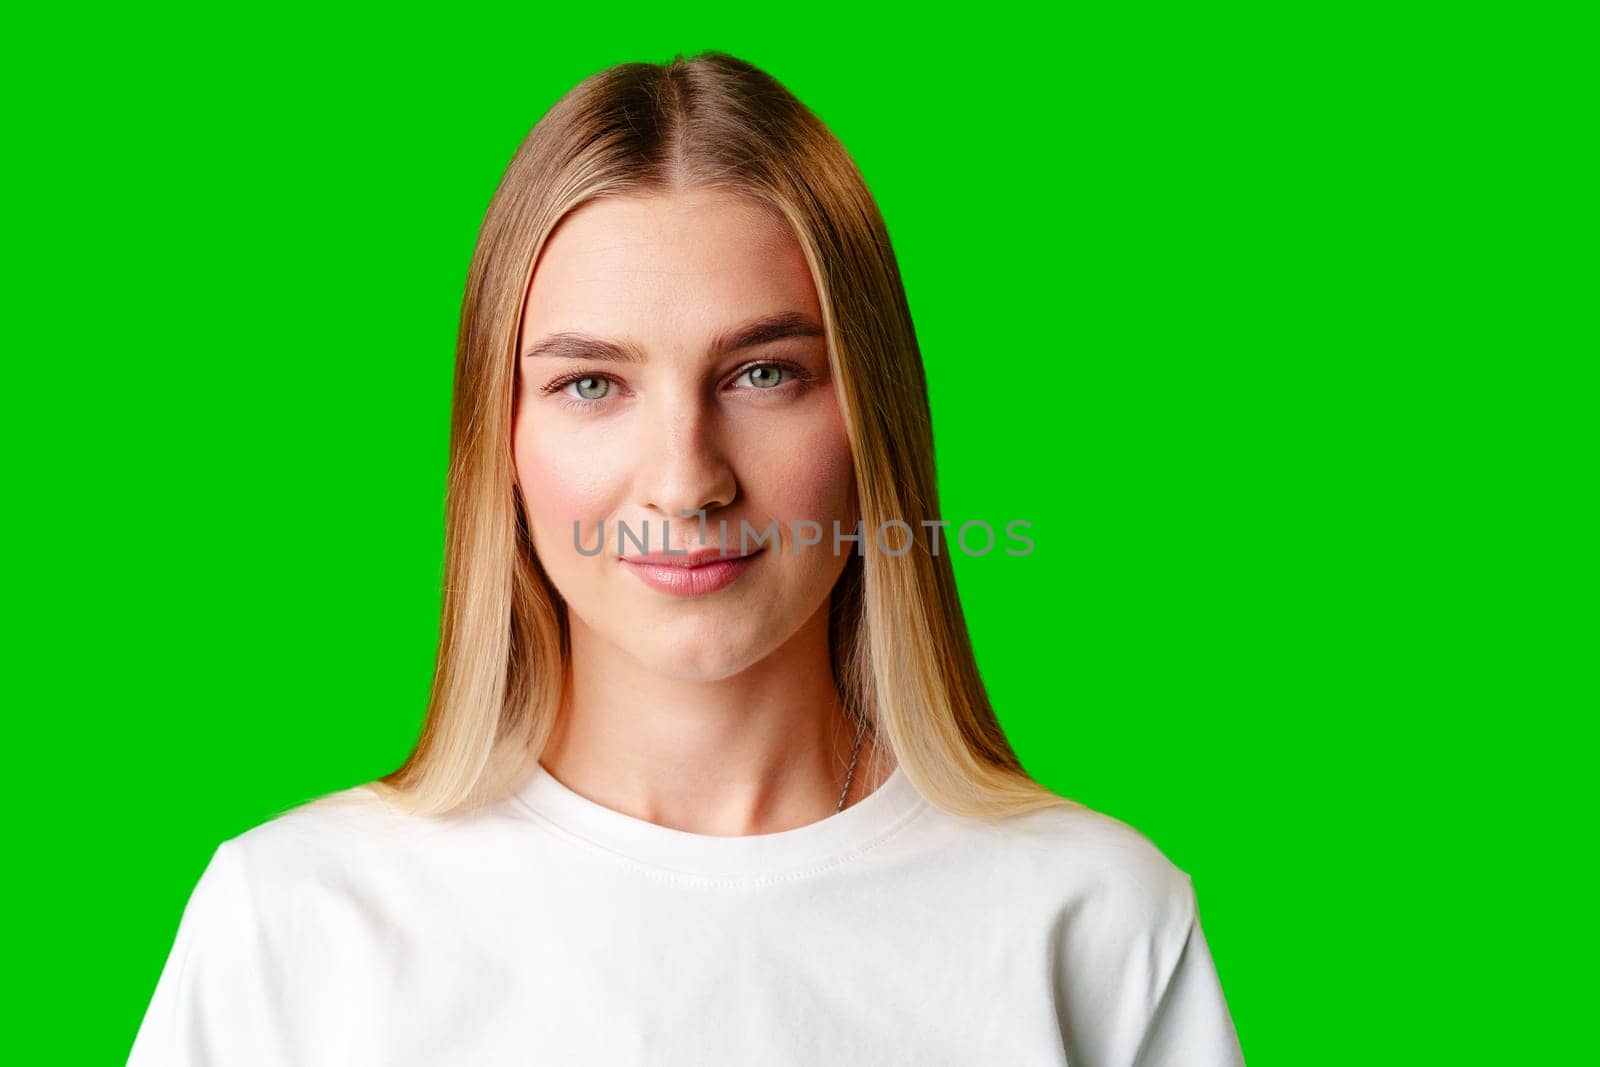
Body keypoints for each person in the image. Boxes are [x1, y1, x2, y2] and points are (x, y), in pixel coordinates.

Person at [127, 50, 1245, 1066]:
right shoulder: (296, 921)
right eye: (591, 383)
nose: (684, 479)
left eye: (763, 372)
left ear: (874, 421)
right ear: (501, 445)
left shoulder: (1094, 915)